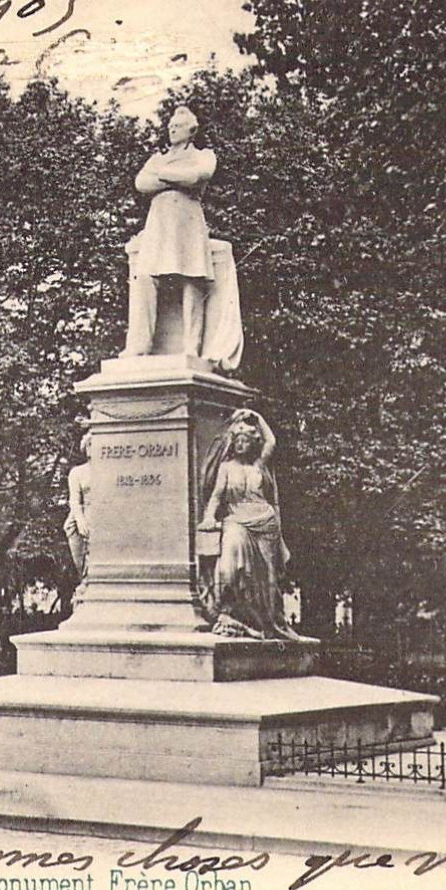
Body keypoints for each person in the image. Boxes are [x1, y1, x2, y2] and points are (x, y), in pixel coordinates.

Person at [197, 409, 305, 641]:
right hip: (236, 522)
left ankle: (266, 623)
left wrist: (256, 416)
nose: (241, 444)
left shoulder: (260, 465)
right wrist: (209, 517)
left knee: (268, 580)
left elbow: (271, 441)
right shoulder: (226, 467)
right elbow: (216, 495)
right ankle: (230, 613)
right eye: (238, 440)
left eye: (245, 441)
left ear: (252, 444)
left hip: (265, 525)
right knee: (228, 568)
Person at [128, 106, 217, 358]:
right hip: (158, 222)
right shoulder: (158, 157)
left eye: (177, 126)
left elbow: (198, 175)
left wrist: (164, 175)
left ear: (192, 130)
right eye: (169, 126)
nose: (171, 129)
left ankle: (191, 347)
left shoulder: (204, 154)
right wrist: (176, 176)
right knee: (144, 277)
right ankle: (139, 345)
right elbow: (141, 183)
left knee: (192, 279)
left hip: (187, 220)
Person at [64, 431, 93, 584]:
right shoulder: (77, 472)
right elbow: (74, 500)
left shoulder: (109, 472)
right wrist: (81, 520)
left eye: (94, 444)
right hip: (83, 514)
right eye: (89, 444)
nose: (91, 448)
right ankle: (84, 579)